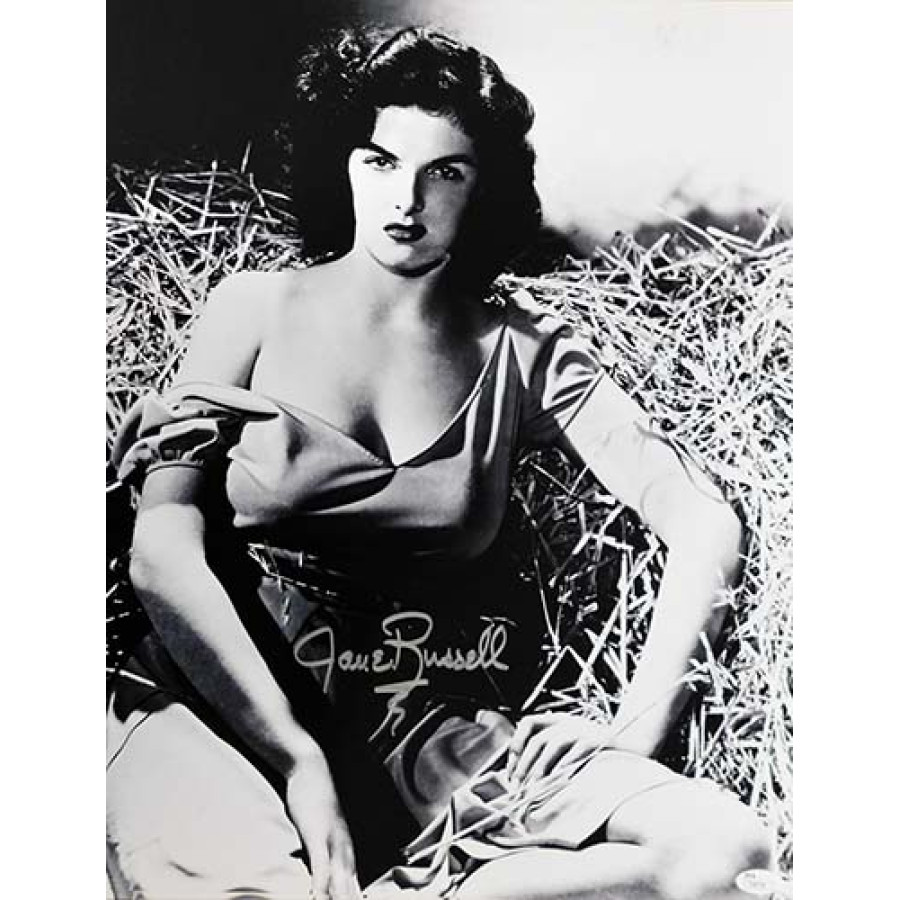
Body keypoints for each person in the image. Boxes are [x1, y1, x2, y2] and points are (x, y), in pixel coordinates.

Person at [107, 26, 771, 900]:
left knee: (724, 852)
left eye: (445, 172)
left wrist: (634, 728)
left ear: (482, 187)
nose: (408, 199)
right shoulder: (253, 309)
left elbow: (703, 518)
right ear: (343, 164)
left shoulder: (522, 353)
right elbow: (162, 549)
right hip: (217, 704)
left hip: (414, 728)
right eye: (381, 161)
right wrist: (297, 758)